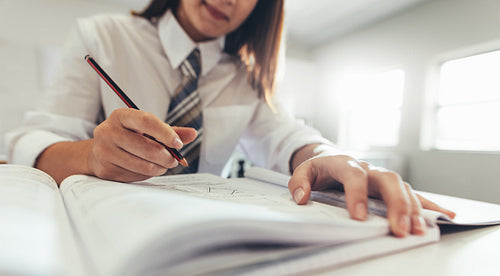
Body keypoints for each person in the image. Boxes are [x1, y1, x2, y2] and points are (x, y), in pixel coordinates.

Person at [5, 0, 454, 237]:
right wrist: (92, 155)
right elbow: (31, 142)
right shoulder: (101, 36)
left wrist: (328, 156)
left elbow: (288, 138)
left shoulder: (245, 75)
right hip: (103, 230)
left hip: (200, 233)